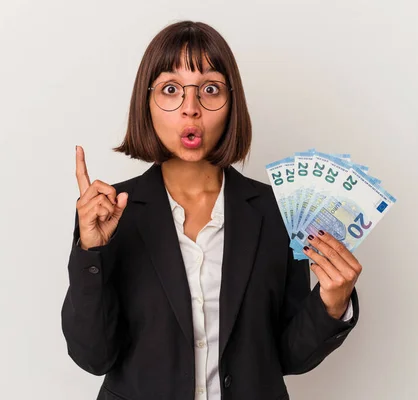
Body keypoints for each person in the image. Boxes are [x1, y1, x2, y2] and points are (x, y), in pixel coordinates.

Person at [61, 20, 361, 400]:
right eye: (171, 89)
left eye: (210, 89)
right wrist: (92, 253)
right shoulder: (109, 215)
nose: (191, 109)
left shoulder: (275, 212)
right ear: (147, 102)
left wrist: (332, 302)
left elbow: (287, 356)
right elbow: (93, 356)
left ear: (232, 103)